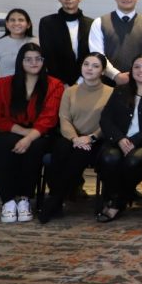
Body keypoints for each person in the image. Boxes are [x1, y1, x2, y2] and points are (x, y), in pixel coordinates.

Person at [0, 43, 65, 223]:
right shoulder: (4, 83)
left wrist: (28, 138)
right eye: (28, 59)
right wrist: (23, 132)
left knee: (34, 148)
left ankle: (24, 199)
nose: (34, 63)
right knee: (3, 146)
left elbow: (49, 118)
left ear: (43, 61)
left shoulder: (55, 85)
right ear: (20, 62)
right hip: (10, 128)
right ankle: (7, 201)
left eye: (38, 59)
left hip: (39, 132)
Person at [95, 55, 142, 222]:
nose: (141, 70)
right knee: (109, 158)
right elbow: (106, 119)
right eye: (137, 67)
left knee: (133, 160)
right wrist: (119, 138)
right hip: (119, 139)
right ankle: (117, 196)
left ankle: (117, 201)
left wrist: (135, 140)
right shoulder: (120, 91)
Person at [41, 53, 113, 223]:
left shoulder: (111, 93)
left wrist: (91, 138)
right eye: (86, 64)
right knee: (60, 149)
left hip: (95, 140)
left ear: (103, 71)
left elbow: (109, 123)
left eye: (95, 66)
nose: (89, 68)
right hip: (71, 137)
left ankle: (55, 199)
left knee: (79, 155)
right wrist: (75, 138)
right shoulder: (70, 91)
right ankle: (57, 198)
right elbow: (64, 118)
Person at [88, 0, 142, 86]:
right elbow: (97, 56)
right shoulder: (99, 22)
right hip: (106, 84)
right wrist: (115, 75)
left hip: (139, 83)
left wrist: (134, 75)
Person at [38, 0, 93, 86]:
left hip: (85, 79)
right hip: (56, 81)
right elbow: (48, 54)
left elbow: (92, 53)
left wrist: (80, 80)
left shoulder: (91, 23)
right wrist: (61, 83)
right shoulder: (47, 22)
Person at [0, 8, 37, 96]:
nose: (16, 23)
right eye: (12, 20)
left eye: (21, 20)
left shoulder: (37, 42)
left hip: (32, 92)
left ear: (28, 24)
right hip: (7, 92)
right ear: (7, 24)